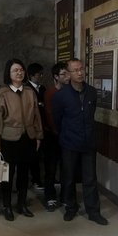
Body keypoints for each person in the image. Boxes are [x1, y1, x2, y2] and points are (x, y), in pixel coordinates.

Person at [52, 58, 108, 225]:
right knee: (68, 178)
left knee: (90, 178)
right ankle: (71, 207)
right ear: (68, 74)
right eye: (75, 70)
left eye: (81, 69)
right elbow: (57, 120)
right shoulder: (61, 96)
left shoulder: (91, 92)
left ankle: (93, 212)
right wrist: (67, 133)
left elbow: (90, 114)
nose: (80, 73)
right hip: (69, 143)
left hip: (89, 142)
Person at [0, 58, 43, 221]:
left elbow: (36, 115)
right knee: (8, 174)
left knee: (24, 173)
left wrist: (38, 135)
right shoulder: (3, 93)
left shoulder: (29, 92)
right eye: (15, 70)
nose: (19, 73)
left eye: (21, 70)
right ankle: (7, 206)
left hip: (28, 137)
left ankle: (22, 203)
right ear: (9, 73)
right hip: (8, 139)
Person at [43, 62, 70, 211]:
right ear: (56, 77)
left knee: (66, 168)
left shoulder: (71, 91)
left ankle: (66, 197)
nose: (67, 77)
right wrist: (58, 131)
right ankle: (50, 197)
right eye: (63, 74)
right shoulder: (50, 93)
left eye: (68, 73)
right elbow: (50, 115)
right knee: (51, 168)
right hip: (53, 136)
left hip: (67, 135)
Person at [25, 63, 46, 191]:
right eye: (39, 74)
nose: (41, 76)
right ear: (32, 75)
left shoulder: (42, 88)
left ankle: (42, 179)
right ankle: (35, 180)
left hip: (43, 125)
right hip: (31, 127)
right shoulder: (26, 89)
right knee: (33, 156)